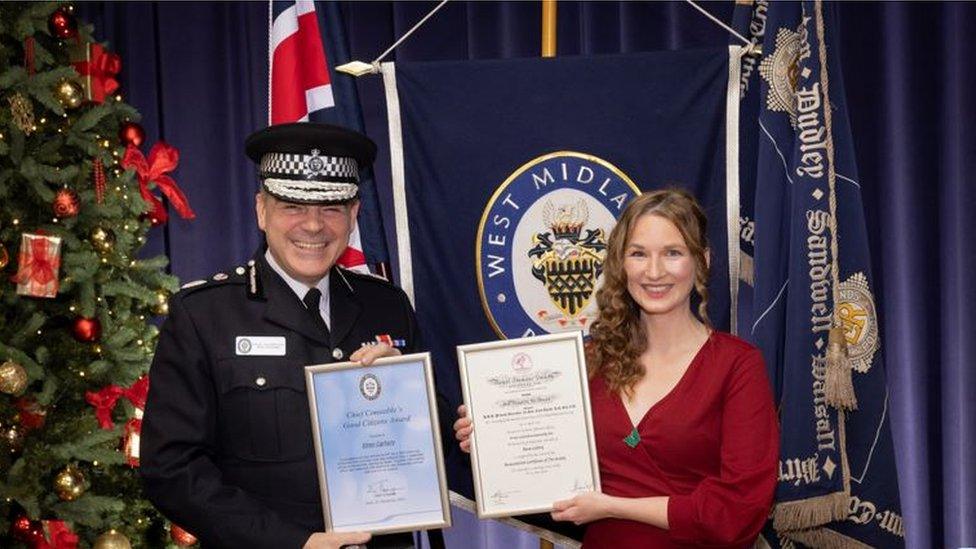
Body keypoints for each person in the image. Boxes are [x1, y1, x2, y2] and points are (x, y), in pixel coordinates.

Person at [141, 123, 419, 549]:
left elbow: (432, 439)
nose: (313, 226)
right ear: (261, 210)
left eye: (331, 208)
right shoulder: (204, 315)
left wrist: (432, 411)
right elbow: (172, 468)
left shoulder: (388, 306)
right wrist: (294, 542)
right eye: (293, 206)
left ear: (353, 215)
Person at [454, 188, 779, 547]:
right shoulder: (591, 362)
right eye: (638, 254)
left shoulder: (738, 366)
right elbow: (553, 482)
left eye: (673, 253)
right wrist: (495, 441)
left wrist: (612, 507)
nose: (654, 271)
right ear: (620, 264)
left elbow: (738, 512)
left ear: (701, 260)